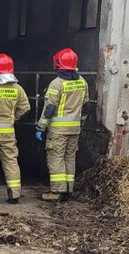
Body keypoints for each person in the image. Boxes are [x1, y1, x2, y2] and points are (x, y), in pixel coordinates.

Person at [36, 48, 90, 202]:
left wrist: (41, 126)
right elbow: (86, 106)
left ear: (59, 64)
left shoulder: (57, 83)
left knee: (56, 158)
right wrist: (81, 123)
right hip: (75, 128)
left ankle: (58, 191)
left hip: (58, 130)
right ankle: (68, 188)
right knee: (70, 157)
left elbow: (50, 108)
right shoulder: (82, 82)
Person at [0, 53, 31, 204]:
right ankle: (14, 194)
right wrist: (13, 118)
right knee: (10, 161)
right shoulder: (18, 89)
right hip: (8, 132)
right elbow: (25, 108)